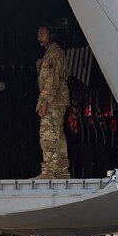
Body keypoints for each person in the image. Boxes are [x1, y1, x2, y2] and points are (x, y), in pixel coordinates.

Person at [35, 25, 70, 180]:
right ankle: (62, 172)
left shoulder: (53, 54)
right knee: (58, 135)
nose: (39, 37)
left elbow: (51, 81)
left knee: (48, 134)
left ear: (51, 35)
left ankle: (48, 171)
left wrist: (43, 102)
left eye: (42, 34)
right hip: (58, 99)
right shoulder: (52, 53)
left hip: (53, 100)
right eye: (38, 34)